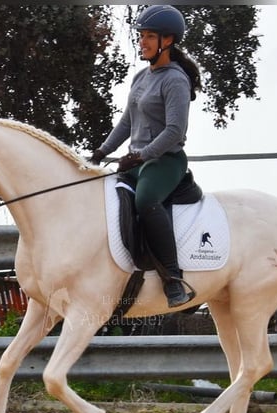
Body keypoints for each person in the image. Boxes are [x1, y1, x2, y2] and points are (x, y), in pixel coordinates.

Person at [91, 5, 202, 308]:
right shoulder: (141, 77)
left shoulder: (175, 81)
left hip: (165, 161)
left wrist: (140, 156)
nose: (142, 42)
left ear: (168, 40)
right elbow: (127, 122)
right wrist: (102, 151)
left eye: (149, 37)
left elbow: (174, 132)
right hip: (137, 161)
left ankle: (174, 278)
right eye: (141, 36)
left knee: (145, 201)